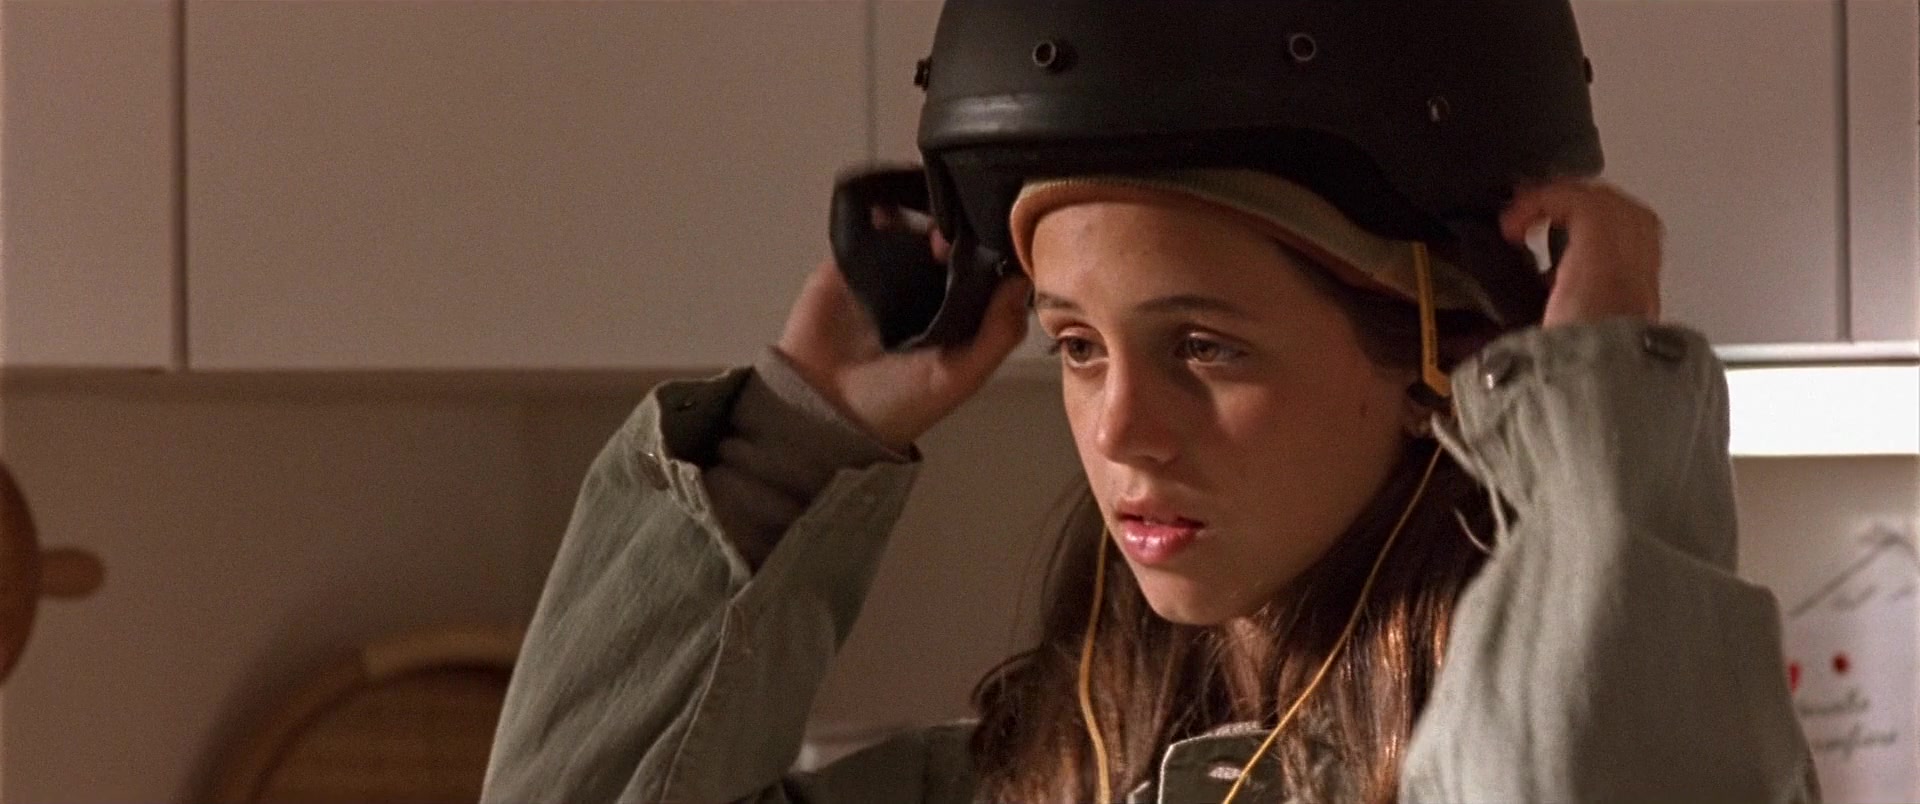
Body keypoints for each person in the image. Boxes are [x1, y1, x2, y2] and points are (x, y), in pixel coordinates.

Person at [481, 4, 1818, 802]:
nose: (1120, 427)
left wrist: (1594, 437)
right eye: (1076, 346)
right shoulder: (1027, 780)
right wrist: (785, 450)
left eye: (1205, 346)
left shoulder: (1609, 735)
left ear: (1440, 353)